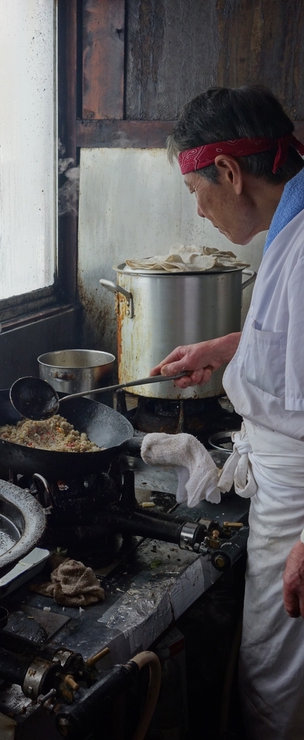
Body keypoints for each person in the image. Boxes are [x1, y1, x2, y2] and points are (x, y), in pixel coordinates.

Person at [149, 86, 304, 740]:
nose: (199, 212)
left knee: (280, 690)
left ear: (231, 173)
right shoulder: (287, 231)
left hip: (299, 508)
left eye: (195, 193)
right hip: (283, 495)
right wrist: (230, 348)